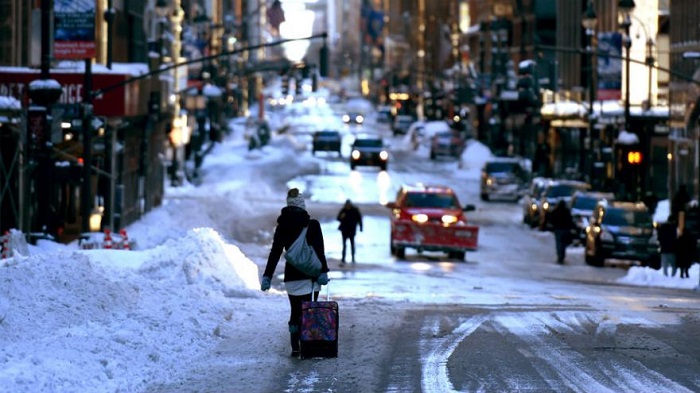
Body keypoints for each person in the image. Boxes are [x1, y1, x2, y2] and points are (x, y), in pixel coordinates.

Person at [260, 188, 330, 357]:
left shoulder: (282, 227)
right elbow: (320, 251)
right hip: (309, 276)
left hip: (291, 277)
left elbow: (275, 252)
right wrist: (323, 271)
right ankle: (306, 345)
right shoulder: (312, 225)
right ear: (303, 206)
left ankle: (295, 347)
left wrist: (268, 275)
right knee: (307, 310)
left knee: (295, 310)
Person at [547, 199, 575, 264]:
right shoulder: (566, 211)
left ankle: (560, 255)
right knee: (563, 244)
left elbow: (551, 217)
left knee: (559, 243)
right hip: (565, 229)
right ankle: (562, 255)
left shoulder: (556, 211)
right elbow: (570, 220)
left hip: (558, 229)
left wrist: (553, 224)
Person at [337, 199, 363, 263]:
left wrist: (361, 227)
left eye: (348, 205)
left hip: (351, 230)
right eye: (347, 205)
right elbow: (338, 218)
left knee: (352, 244)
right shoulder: (343, 211)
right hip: (344, 230)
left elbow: (359, 219)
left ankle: (353, 258)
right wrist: (341, 217)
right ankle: (343, 258)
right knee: (344, 245)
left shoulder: (354, 211)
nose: (347, 206)